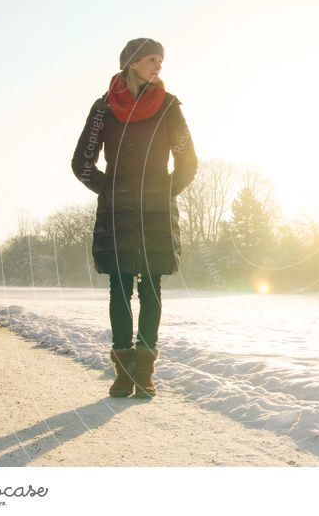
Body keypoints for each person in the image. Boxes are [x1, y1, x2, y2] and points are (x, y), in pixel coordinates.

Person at [71, 38, 198, 399]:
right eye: (151, 59)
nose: (158, 65)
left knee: (152, 288)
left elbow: (188, 160)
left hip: (156, 212)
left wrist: (164, 191)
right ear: (132, 64)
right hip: (117, 211)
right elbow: (82, 161)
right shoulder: (103, 109)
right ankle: (123, 374)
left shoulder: (170, 107)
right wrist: (109, 190)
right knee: (120, 288)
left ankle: (145, 374)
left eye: (161, 60)